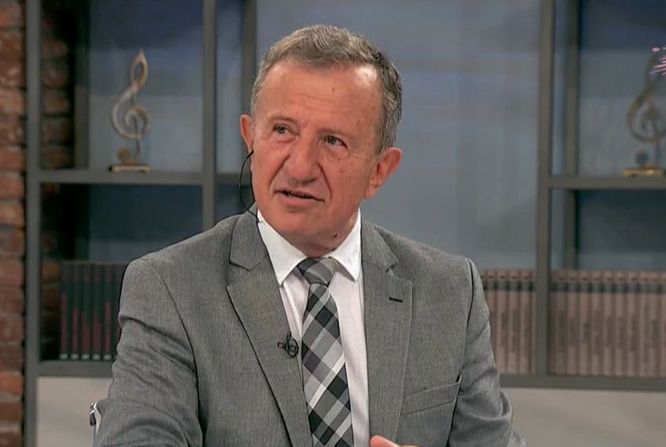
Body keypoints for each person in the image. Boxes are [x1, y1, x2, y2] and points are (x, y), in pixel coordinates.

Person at [94, 25, 524, 447]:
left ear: (379, 171)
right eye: (282, 130)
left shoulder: (450, 293)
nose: (299, 167)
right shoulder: (171, 289)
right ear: (250, 139)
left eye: (333, 141)